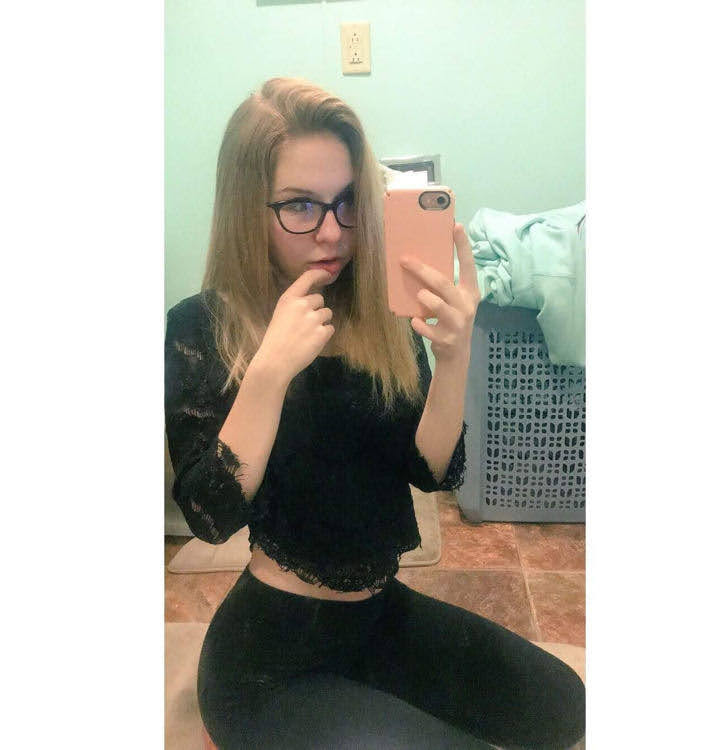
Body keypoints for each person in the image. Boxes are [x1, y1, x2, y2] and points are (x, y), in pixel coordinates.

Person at [165, 77, 585, 750]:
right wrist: (268, 372)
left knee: (563, 707)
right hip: (269, 660)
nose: (333, 231)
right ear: (249, 210)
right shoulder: (201, 327)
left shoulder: (378, 317)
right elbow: (210, 518)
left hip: (380, 619)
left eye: (346, 202)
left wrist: (454, 359)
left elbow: (430, 470)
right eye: (300, 205)